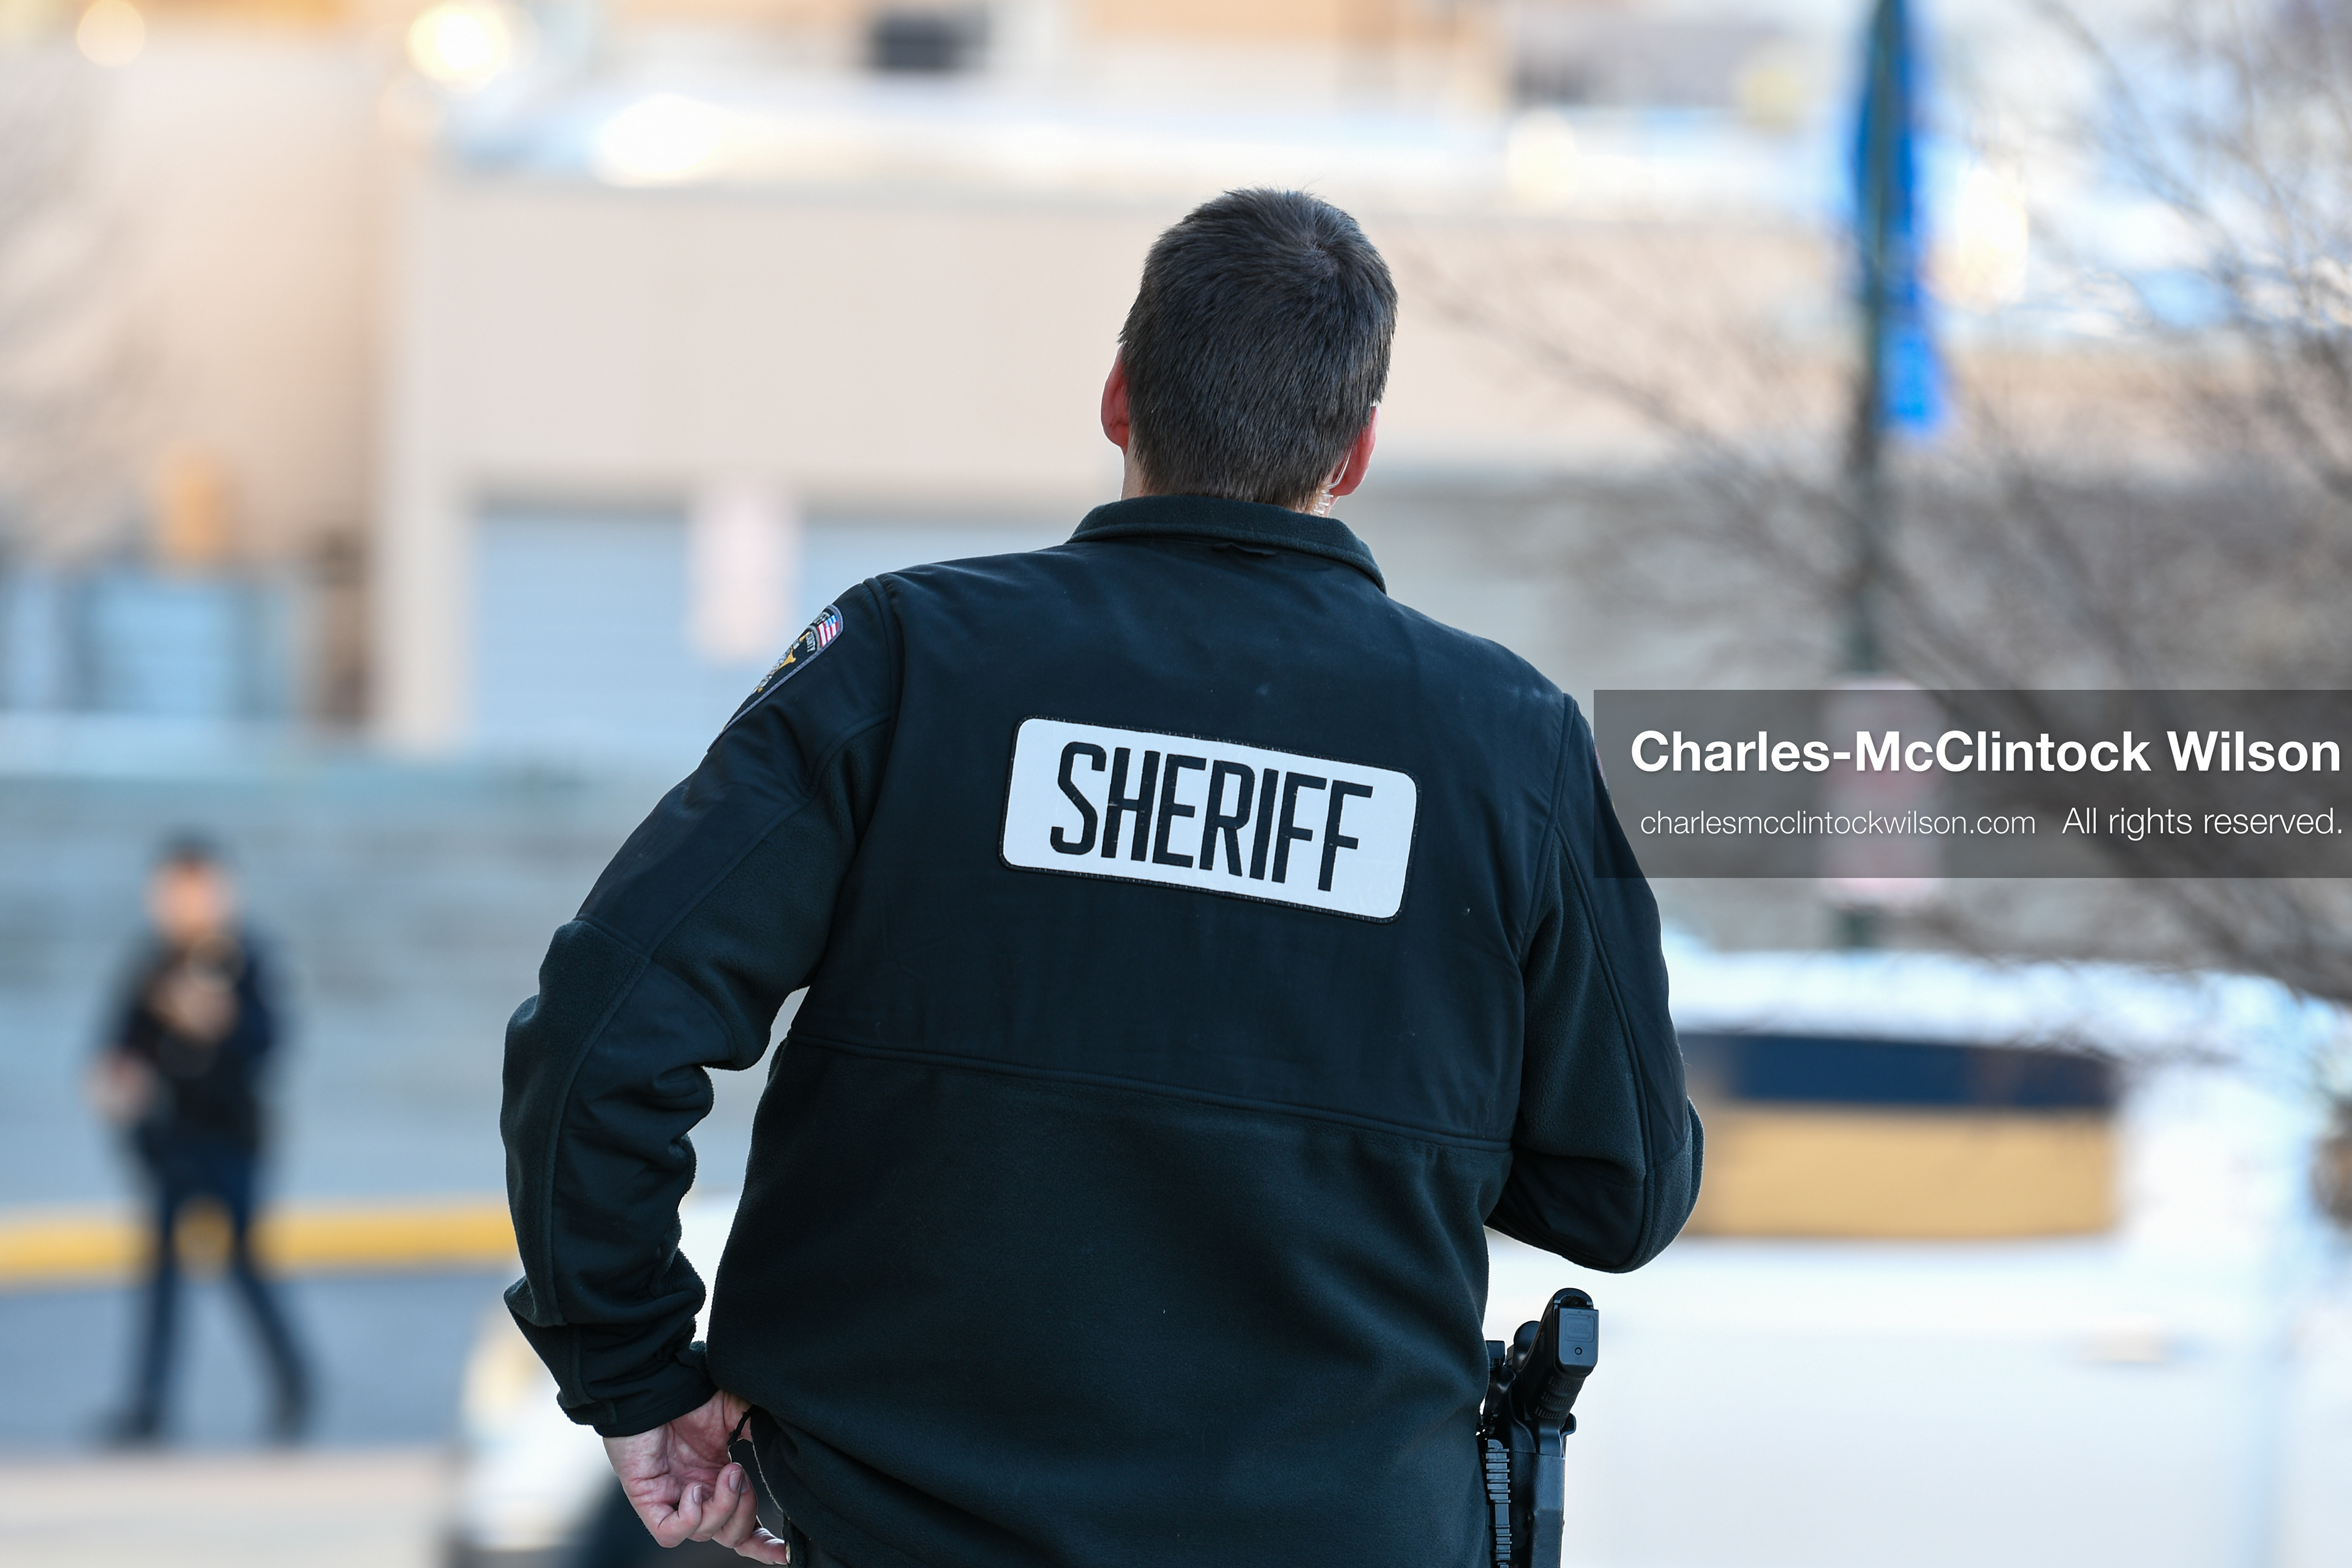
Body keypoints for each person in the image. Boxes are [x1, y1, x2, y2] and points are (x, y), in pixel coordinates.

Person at [501, 187, 1701, 1568]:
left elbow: (599, 1040)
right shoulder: (1513, 747)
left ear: (1120, 393)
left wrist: (637, 1376)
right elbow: (1626, 1190)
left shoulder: (908, 662)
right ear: (1356, 450)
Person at [93, 835, 309, 1445]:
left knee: (243, 1264)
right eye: (172, 892)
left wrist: (220, 1022)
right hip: (169, 1144)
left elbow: (270, 1043)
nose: (183, 904)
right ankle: (148, 1409)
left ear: (219, 891)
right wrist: (116, 1076)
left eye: (195, 890)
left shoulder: (248, 957)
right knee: (161, 1276)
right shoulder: (152, 962)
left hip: (231, 1141)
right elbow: (120, 1042)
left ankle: (294, 1382)